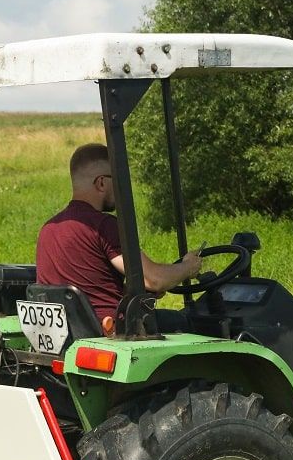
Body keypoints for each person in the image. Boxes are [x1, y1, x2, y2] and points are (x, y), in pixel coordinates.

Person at [36, 143, 202, 333]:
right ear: (101, 183)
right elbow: (154, 279)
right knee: (191, 322)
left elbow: (91, 286)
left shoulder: (48, 229)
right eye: (118, 180)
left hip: (70, 333)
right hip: (112, 332)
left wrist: (137, 290)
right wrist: (189, 267)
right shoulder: (102, 225)